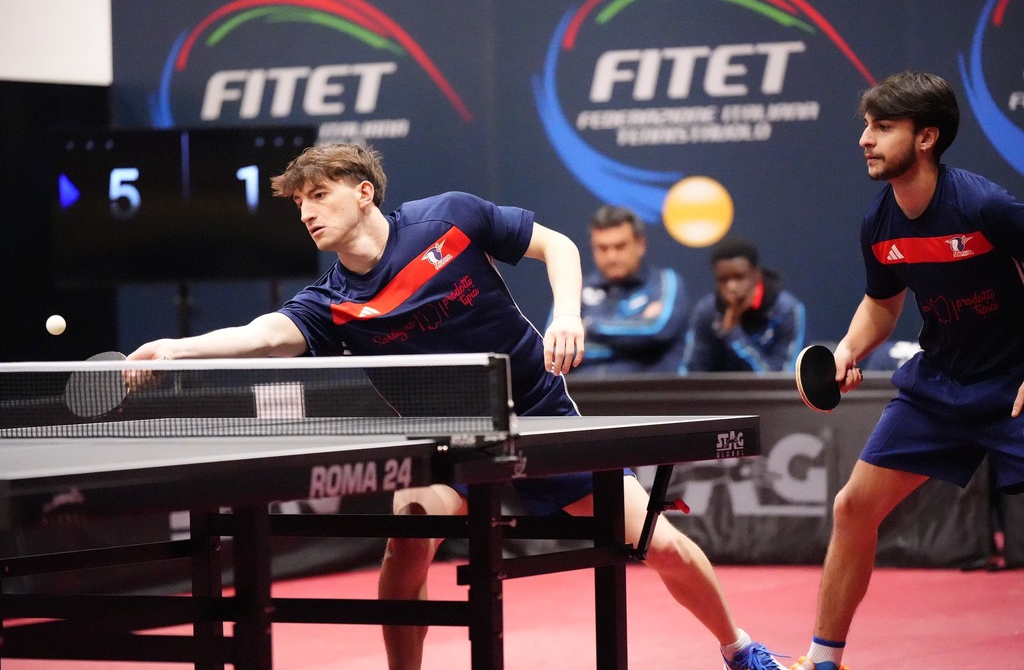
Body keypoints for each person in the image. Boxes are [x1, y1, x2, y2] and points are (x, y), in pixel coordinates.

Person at [127, 143, 788, 670]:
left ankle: (740, 649)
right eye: (299, 202)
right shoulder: (331, 301)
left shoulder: (448, 217)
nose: (306, 212)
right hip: (443, 440)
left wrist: (567, 313)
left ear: (364, 192)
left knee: (657, 542)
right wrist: (178, 348)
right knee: (407, 545)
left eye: (319, 194)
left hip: (536, 413)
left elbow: (556, 245)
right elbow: (264, 335)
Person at [789, 71, 1024, 670]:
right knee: (853, 508)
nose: (865, 139)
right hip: (939, 387)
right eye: (867, 125)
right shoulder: (879, 224)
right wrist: (847, 350)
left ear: (926, 137)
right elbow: (882, 303)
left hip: (1013, 384)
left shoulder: (985, 207)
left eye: (883, 127)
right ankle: (822, 660)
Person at [569, 204, 689, 375]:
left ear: (640, 244)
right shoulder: (575, 289)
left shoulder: (666, 281)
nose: (611, 257)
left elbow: (657, 329)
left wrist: (590, 326)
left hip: (647, 390)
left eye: (620, 246)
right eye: (602, 248)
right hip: (581, 390)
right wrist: (637, 344)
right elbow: (558, 351)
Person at [680, 237, 805, 373]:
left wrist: (734, 334)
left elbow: (781, 379)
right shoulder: (707, 312)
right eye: (723, 279)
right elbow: (692, 374)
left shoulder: (787, 310)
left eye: (739, 277)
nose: (731, 286)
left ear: (756, 274)